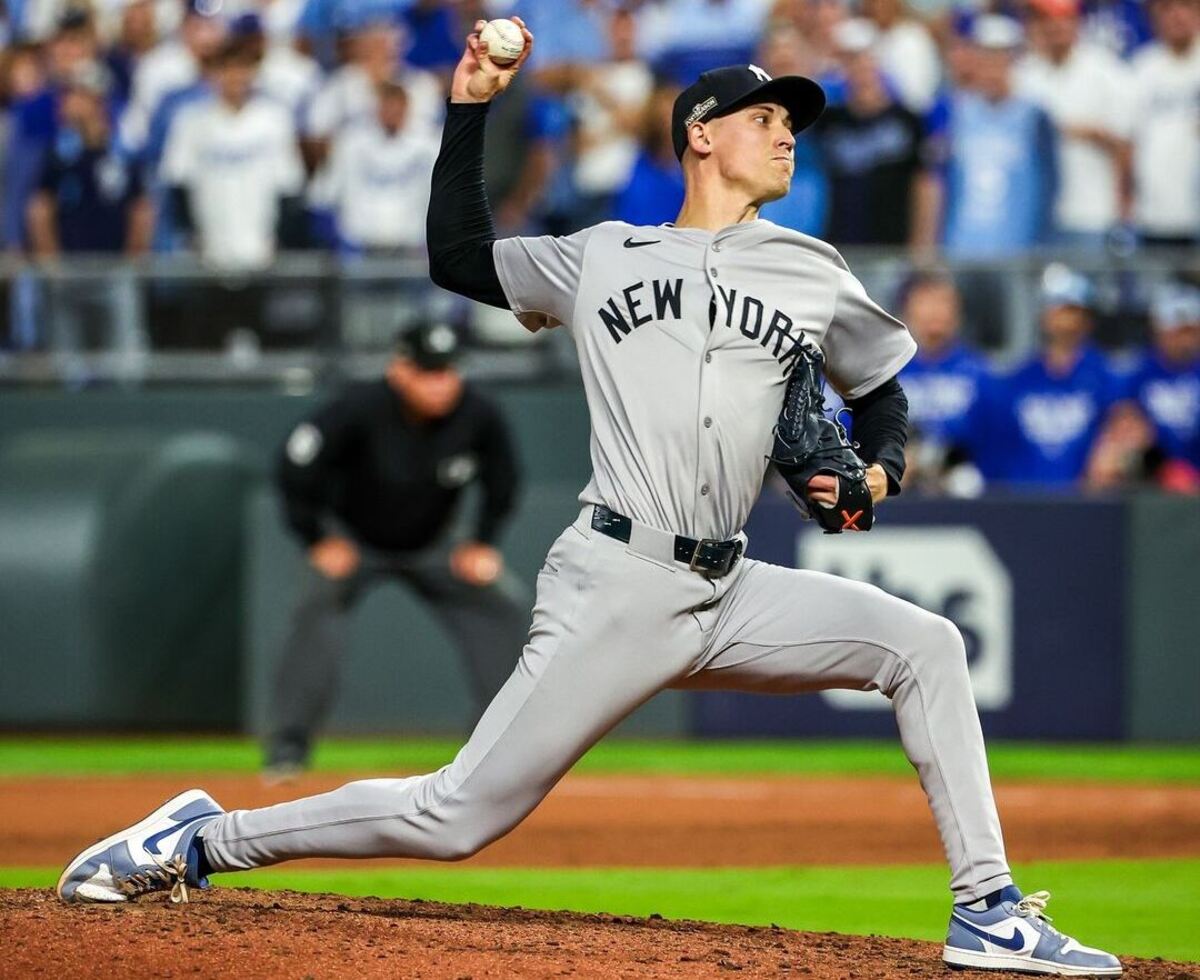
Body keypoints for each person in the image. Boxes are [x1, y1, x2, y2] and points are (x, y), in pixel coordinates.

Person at [56, 20, 1123, 979]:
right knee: (455, 814)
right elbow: (460, 257)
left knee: (925, 644)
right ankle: (203, 837)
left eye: (791, 123)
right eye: (765, 119)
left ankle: (987, 909)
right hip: (618, 578)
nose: (788, 135)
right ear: (700, 133)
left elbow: (880, 386)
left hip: (731, 580)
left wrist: (879, 471)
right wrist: (470, 108)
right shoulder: (604, 256)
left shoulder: (810, 267)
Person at [263, 321, 528, 777]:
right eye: (428, 371)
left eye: (447, 371)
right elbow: (296, 463)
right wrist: (316, 538)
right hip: (355, 542)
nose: (440, 384)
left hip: (435, 544)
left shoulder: (478, 412)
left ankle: (496, 750)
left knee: (506, 608)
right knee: (315, 609)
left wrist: (483, 542)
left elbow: (504, 478)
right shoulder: (359, 408)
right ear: (399, 370)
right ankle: (288, 750)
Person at [972, 264, 1124, 488]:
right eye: (1057, 308)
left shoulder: (1106, 377)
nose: (1063, 318)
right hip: (1025, 500)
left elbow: (1124, 424)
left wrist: (1114, 447)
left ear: (1087, 318)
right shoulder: (1018, 380)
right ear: (1043, 315)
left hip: (1086, 500)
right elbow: (996, 448)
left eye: (1071, 309)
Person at [1015, 0, 1133, 248]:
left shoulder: (1106, 71)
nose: (1056, 27)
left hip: (1093, 213)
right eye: (1046, 19)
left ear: (1077, 23)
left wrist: (1123, 210)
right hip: (1038, 216)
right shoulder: (1024, 75)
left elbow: (1125, 146)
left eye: (1064, 19)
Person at [1127, 0, 1199, 248]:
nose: (1177, 15)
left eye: (1186, 6)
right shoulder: (1141, 68)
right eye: (1167, 7)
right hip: (1153, 214)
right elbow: (1127, 141)